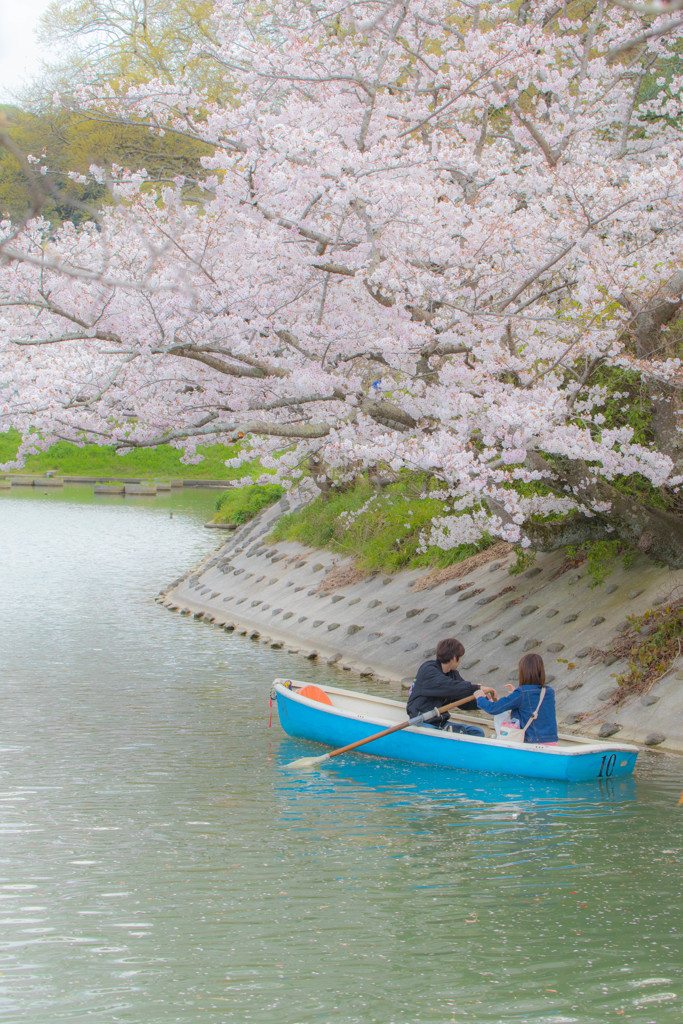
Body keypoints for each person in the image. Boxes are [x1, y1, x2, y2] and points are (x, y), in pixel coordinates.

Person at [407, 638, 497, 737]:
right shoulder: (428, 670)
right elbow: (450, 686)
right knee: (436, 734)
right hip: (421, 721)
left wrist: (483, 701)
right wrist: (477, 688)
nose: (460, 660)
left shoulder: (453, 675)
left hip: (440, 723)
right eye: (460, 657)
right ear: (454, 658)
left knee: (477, 732)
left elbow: (463, 699)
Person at [475, 652, 558, 744]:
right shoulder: (549, 692)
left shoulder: (521, 693)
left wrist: (480, 697)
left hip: (531, 743)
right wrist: (516, 695)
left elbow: (493, 709)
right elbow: (533, 707)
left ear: (523, 672)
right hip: (551, 742)